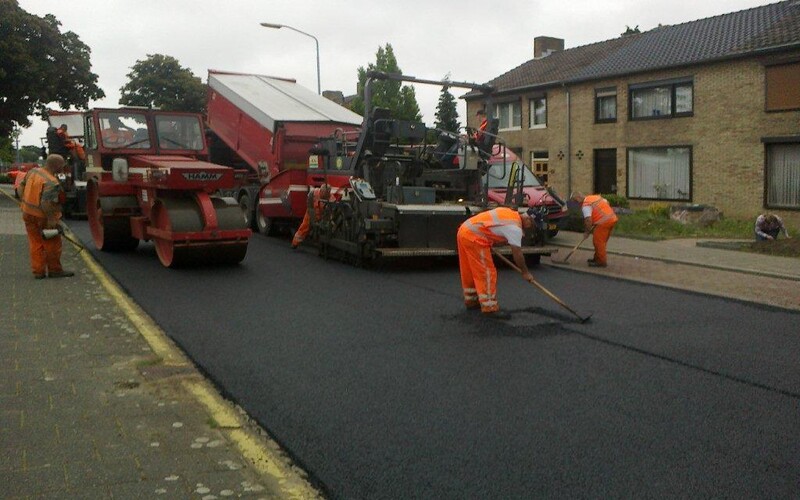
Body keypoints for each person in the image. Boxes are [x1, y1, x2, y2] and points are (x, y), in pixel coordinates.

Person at [457, 206, 536, 318]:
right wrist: (525, 272)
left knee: (470, 270)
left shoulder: (510, 213)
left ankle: (472, 300)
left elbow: (492, 227)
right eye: (532, 225)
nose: (530, 228)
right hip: (475, 238)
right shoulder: (515, 228)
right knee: (487, 272)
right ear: (529, 220)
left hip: (464, 231)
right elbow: (517, 253)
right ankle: (489, 307)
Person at [16, 154, 75, 279]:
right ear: (57, 165)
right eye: (62, 164)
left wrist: (24, 202)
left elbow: (20, 187)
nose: (63, 167)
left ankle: (38, 272)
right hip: (42, 217)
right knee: (52, 244)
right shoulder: (51, 182)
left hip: (28, 213)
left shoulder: (33, 172)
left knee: (35, 242)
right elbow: (46, 203)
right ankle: (55, 270)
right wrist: (51, 219)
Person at [570, 191, 618, 267]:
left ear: (578, 198)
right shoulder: (594, 198)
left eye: (575, 201)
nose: (577, 204)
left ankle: (601, 262)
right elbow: (606, 202)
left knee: (598, 242)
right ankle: (597, 258)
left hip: (604, 222)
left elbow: (588, 220)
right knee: (601, 241)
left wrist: (587, 232)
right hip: (611, 219)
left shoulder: (586, 205)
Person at [292, 183, 334, 249]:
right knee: (304, 227)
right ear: (321, 190)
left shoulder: (331, 198)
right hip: (311, 213)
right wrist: (314, 220)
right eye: (325, 192)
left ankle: (321, 244)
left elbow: (331, 210)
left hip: (322, 215)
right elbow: (310, 207)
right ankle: (295, 243)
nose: (326, 195)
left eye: (328, 193)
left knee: (325, 227)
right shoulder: (313, 193)